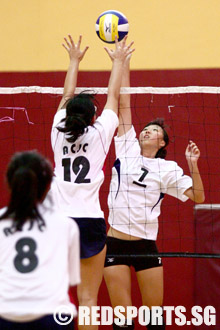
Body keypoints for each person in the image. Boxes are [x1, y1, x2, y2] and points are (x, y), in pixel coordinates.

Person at [104, 54, 205, 330]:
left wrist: (192, 166)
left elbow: (198, 197)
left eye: (153, 130)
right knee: (122, 320)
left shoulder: (167, 168)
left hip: (146, 244)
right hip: (114, 243)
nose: (147, 131)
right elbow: (123, 103)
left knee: (153, 318)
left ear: (162, 142)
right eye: (145, 129)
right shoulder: (126, 148)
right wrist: (122, 62)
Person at [50, 35, 135, 330]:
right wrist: (118, 62)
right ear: (93, 116)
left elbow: (66, 94)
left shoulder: (57, 132)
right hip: (89, 221)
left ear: (68, 114)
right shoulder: (100, 134)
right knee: (88, 299)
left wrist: (73, 61)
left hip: (58, 221)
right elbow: (113, 96)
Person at [0, 150, 80, 330]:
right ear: (47, 186)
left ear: (11, 183)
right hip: (52, 316)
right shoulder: (66, 225)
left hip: (6, 314)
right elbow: (71, 279)